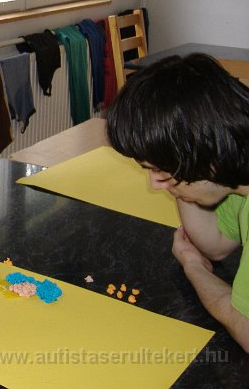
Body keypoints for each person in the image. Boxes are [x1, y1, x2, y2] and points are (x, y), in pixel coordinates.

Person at [106, 53, 249, 352]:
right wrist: (179, 178)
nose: (155, 184)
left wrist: (195, 269)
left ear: (207, 155)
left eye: (160, 169)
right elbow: (217, 244)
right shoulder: (236, 173)